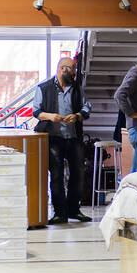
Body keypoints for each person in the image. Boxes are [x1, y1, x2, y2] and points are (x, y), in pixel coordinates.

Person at [33, 56, 92, 225]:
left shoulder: (77, 88)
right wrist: (51, 116)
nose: (74, 72)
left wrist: (78, 115)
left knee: (78, 174)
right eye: (72, 68)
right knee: (57, 175)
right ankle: (59, 213)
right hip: (53, 138)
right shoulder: (43, 88)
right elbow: (36, 112)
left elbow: (87, 106)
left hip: (74, 137)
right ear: (62, 69)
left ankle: (74, 209)